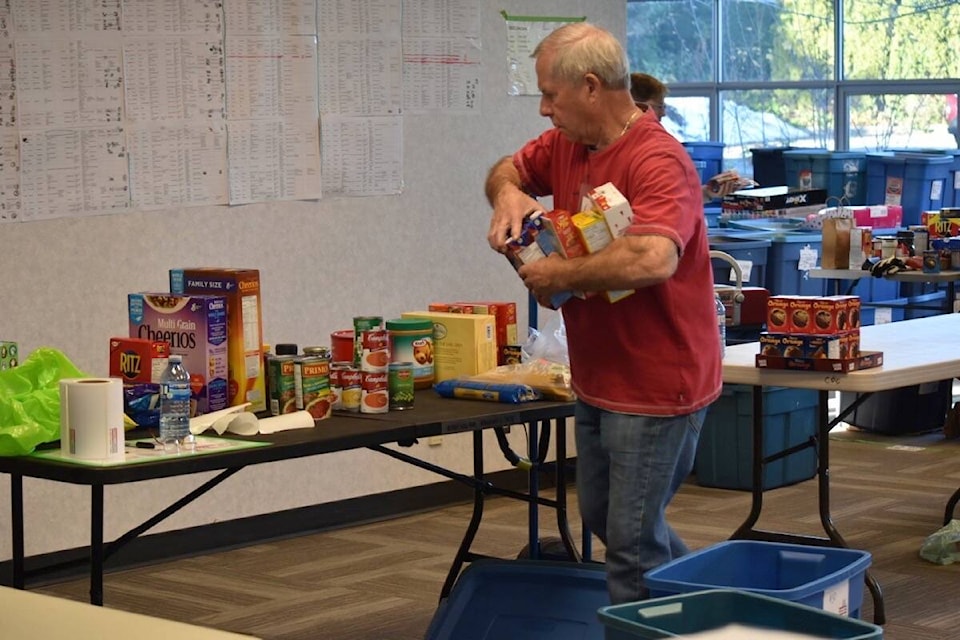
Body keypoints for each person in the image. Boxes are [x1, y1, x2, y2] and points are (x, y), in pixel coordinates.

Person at [485, 22, 722, 604]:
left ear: (591, 87)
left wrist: (558, 275)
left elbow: (651, 258)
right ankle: (720, 606)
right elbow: (506, 168)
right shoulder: (568, 144)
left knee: (631, 546)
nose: (543, 110)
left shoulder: (658, 160)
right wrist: (508, 193)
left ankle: (681, 615)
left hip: (659, 382)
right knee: (607, 521)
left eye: (550, 95)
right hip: (599, 377)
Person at [629, 72, 754, 202]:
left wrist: (707, 192)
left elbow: (672, 198)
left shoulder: (654, 147)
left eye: (664, 107)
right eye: (659, 107)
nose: (663, 113)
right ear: (637, 106)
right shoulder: (636, 151)